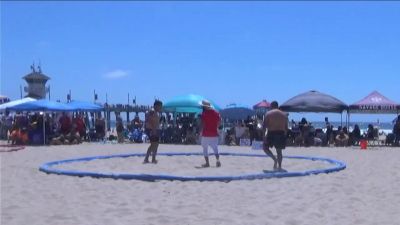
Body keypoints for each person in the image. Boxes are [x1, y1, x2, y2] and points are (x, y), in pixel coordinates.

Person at [263, 101, 288, 170]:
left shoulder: (268, 113)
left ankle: (275, 159)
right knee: (279, 151)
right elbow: (286, 128)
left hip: (271, 132)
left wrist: (264, 136)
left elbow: (264, 126)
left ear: (271, 106)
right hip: (281, 133)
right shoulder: (284, 115)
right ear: (277, 106)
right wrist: (284, 135)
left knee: (265, 148)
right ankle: (279, 166)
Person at [199, 100, 221, 168]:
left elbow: (202, 124)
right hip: (214, 133)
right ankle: (217, 160)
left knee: (205, 148)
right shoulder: (216, 113)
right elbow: (220, 121)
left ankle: (207, 163)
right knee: (215, 149)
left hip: (206, 134)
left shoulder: (204, 114)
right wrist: (216, 127)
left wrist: (200, 131)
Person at [143, 100, 163, 164]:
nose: (161, 108)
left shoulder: (153, 111)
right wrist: (153, 130)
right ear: (156, 106)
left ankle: (151, 158)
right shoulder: (152, 111)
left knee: (155, 145)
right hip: (153, 130)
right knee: (154, 145)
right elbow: (151, 121)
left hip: (153, 130)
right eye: (160, 106)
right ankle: (148, 159)